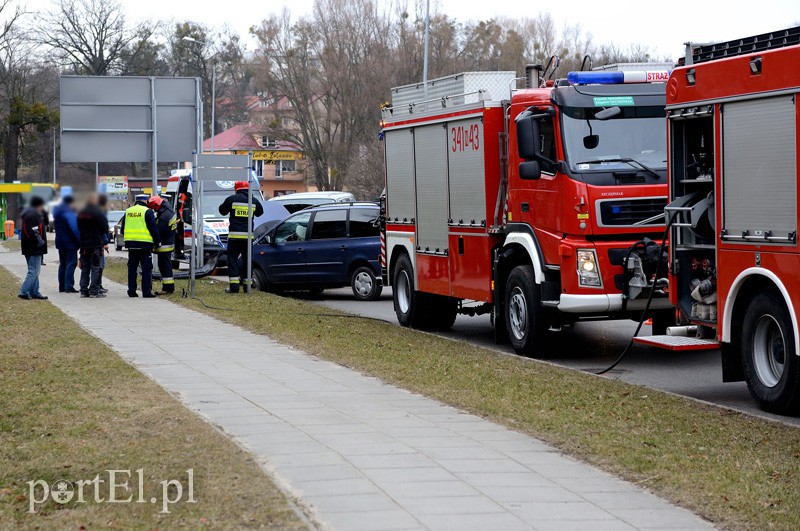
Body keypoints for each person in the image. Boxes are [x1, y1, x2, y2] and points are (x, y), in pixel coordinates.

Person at [218, 181, 263, 293]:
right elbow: (260, 212)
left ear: (236, 189)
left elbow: (222, 211)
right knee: (247, 260)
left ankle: (234, 287)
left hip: (234, 237)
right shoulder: (253, 201)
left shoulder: (232, 199)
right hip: (248, 237)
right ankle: (248, 286)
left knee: (232, 260)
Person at [120, 194, 160, 298]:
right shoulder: (147, 211)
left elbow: (122, 229)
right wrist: (157, 242)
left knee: (132, 268)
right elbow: (153, 228)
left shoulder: (128, 211)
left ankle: (131, 291)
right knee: (146, 268)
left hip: (131, 245)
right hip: (144, 245)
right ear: (146, 201)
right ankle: (146, 292)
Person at [77, 194, 109, 298]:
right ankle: (94, 291)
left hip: (84, 245)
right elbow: (105, 227)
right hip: (95, 244)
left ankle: (83, 290)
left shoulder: (81, 213)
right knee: (96, 268)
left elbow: (78, 227)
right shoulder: (97, 212)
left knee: (85, 268)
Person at [17, 196, 49, 300]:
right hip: (34, 247)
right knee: (33, 271)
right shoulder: (33, 214)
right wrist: (40, 242)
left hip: (29, 247)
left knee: (35, 270)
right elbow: (34, 231)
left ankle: (35, 291)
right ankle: (24, 291)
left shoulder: (29, 213)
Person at [147, 195, 177, 294]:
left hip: (165, 246)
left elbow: (158, 231)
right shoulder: (167, 211)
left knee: (165, 266)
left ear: (156, 205)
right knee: (164, 265)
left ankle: (168, 288)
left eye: (154, 208)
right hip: (168, 243)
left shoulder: (164, 216)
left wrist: (154, 243)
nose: (154, 210)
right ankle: (167, 287)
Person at [52, 193, 80, 293]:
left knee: (62, 264)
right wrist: (79, 241)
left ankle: (62, 286)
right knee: (71, 264)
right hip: (70, 243)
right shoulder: (69, 213)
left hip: (60, 242)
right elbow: (74, 229)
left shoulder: (58, 212)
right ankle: (69, 286)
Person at [96, 194, 110, 294]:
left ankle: (96, 285)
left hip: (92, 242)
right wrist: (105, 242)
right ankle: (97, 285)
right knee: (100, 265)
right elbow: (103, 230)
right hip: (99, 243)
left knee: (94, 266)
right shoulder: (101, 212)